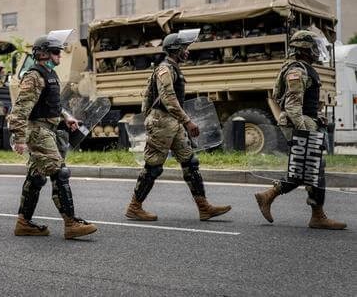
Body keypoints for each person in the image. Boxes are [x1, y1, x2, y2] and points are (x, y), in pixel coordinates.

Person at [125, 32, 232, 222]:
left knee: (190, 163)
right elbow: (168, 99)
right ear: (176, 50)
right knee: (153, 167)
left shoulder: (173, 68)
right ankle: (134, 207)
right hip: (162, 123)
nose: (187, 51)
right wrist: (187, 121)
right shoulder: (165, 70)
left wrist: (182, 121)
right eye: (184, 48)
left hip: (171, 122)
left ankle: (204, 207)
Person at [9, 31, 97, 239]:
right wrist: (19, 138)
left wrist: (67, 116)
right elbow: (20, 109)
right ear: (43, 54)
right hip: (38, 131)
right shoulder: (34, 76)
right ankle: (71, 223)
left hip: (48, 129)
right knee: (60, 172)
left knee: (36, 176)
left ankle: (24, 222)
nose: (60, 56)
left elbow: (52, 104)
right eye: (56, 52)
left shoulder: (49, 74)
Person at [254, 30, 346, 229]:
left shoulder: (302, 68)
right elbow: (293, 107)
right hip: (300, 126)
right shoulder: (298, 71)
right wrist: (305, 134)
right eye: (313, 47)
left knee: (305, 170)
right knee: (314, 169)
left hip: (304, 123)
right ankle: (317, 216)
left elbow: (302, 106)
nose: (316, 51)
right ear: (304, 49)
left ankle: (268, 196)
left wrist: (316, 117)